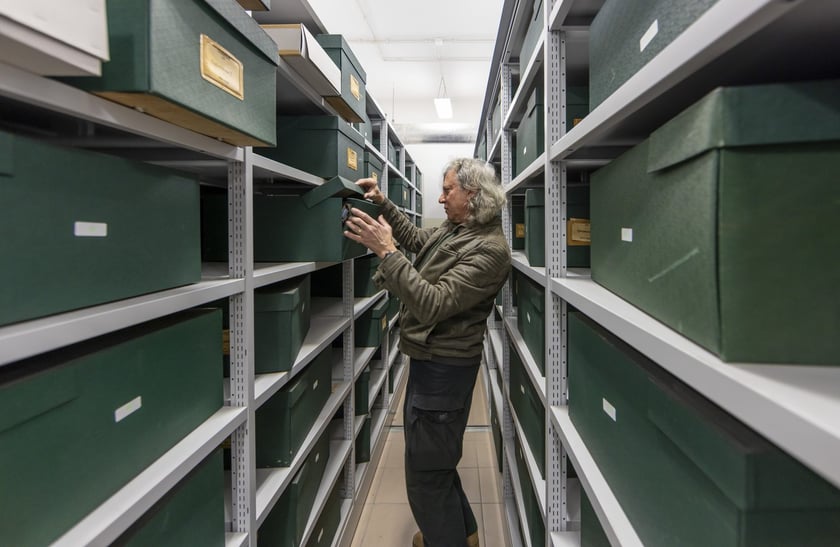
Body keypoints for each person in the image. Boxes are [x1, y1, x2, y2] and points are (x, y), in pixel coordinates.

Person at [343, 158, 511, 547]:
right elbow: (420, 242)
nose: (441, 196)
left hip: (444, 370)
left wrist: (387, 253)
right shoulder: (460, 229)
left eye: (448, 189)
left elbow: (432, 303)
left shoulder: (490, 251)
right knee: (438, 464)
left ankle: (447, 539)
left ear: (472, 195)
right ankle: (464, 534)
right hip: (432, 363)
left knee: (424, 480)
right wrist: (383, 204)